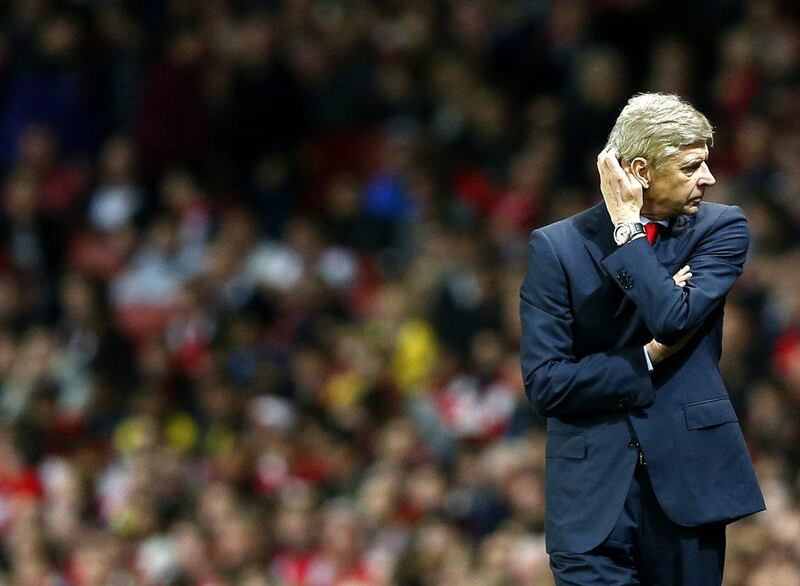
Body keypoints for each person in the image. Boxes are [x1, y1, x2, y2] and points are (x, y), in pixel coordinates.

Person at [519, 93, 765, 584]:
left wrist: (630, 235)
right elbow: (546, 385)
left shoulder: (721, 228)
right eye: (692, 167)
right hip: (589, 502)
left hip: (688, 490)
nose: (709, 179)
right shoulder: (557, 246)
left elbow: (672, 320)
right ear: (641, 170)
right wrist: (646, 356)